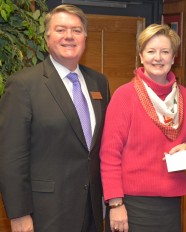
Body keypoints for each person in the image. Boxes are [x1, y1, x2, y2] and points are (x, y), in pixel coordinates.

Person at [0, 4, 110, 232]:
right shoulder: (23, 85)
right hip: (46, 212)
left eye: (76, 30)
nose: (69, 36)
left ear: (85, 37)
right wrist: (19, 213)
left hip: (92, 210)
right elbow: (11, 156)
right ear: (47, 37)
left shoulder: (98, 82)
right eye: (60, 30)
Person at [100, 24, 186, 232]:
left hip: (171, 203)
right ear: (141, 56)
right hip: (132, 205)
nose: (158, 58)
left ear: (173, 58)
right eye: (151, 51)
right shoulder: (125, 95)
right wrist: (115, 203)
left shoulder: (184, 96)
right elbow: (109, 154)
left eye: (165, 52)